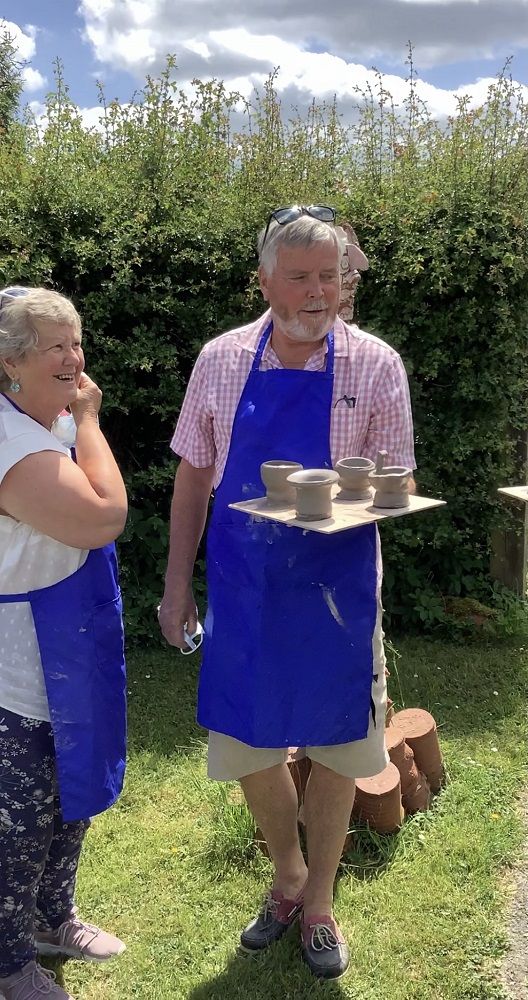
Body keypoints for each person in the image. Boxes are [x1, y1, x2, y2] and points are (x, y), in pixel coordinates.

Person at [159, 205, 416, 981]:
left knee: (340, 743)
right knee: (246, 740)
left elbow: (398, 482)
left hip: (338, 594)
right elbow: (195, 474)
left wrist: (348, 500)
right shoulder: (222, 358)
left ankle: (322, 903)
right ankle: (287, 876)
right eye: (297, 276)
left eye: (328, 276)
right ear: (264, 278)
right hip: (245, 587)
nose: (315, 293)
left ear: (346, 279)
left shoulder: (376, 364)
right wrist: (176, 584)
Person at [0, 287, 128, 1000]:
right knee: (16, 814)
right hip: (15, 651)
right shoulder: (11, 440)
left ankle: (53, 918)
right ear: (9, 361)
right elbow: (103, 516)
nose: (75, 358)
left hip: (67, 634)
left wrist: (72, 420)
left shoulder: (41, 422)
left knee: (66, 788)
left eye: (77, 342)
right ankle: (6, 957)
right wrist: (88, 418)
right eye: (56, 345)